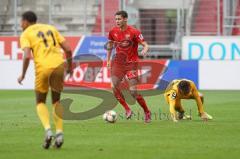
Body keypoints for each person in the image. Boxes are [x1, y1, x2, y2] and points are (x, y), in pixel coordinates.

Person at [17, 11, 72, 149]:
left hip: (43, 68)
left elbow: (27, 56)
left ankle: (48, 131)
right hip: (59, 66)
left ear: (26, 21)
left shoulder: (26, 34)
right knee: (56, 101)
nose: (20, 24)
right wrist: (70, 67)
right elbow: (68, 49)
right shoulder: (51, 28)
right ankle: (59, 133)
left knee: (40, 101)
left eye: (21, 21)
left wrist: (22, 74)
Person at [106, 10, 151, 123]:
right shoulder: (113, 31)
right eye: (116, 19)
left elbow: (145, 44)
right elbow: (110, 45)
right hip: (118, 62)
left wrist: (145, 49)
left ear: (125, 19)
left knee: (133, 91)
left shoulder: (134, 32)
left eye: (119, 19)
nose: (117, 21)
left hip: (131, 63)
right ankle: (127, 109)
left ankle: (146, 111)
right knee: (114, 86)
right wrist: (107, 60)